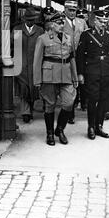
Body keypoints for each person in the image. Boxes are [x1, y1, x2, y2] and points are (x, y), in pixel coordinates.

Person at [33, 12, 78, 146]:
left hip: (66, 75)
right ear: (51, 25)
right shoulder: (43, 38)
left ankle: (60, 129)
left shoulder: (68, 38)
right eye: (58, 23)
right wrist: (37, 80)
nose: (61, 25)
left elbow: (72, 58)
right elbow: (37, 61)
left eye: (63, 23)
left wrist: (75, 77)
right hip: (49, 76)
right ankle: (50, 133)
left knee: (69, 103)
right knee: (49, 105)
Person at [77, 9, 109, 140]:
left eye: (105, 21)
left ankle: (99, 126)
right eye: (101, 21)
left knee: (104, 99)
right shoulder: (86, 34)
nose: (104, 24)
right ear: (94, 21)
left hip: (107, 71)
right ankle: (91, 127)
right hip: (92, 71)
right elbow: (80, 56)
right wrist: (80, 73)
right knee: (93, 99)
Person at [11, 7, 44, 123]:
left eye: (32, 20)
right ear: (24, 20)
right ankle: (26, 112)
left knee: (33, 87)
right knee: (23, 87)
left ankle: (30, 108)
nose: (30, 22)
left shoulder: (40, 30)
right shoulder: (17, 30)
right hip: (21, 64)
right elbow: (10, 45)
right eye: (28, 20)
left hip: (35, 63)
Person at [63, 0, 88, 124]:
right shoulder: (60, 22)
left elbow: (87, 37)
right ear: (65, 9)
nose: (72, 13)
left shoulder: (82, 22)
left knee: (78, 82)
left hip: (80, 57)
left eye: (74, 10)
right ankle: (70, 113)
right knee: (69, 84)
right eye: (70, 10)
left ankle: (75, 106)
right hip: (66, 57)